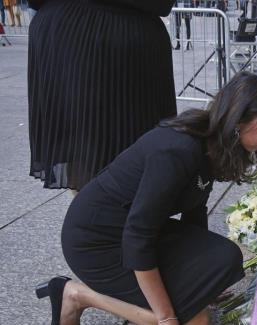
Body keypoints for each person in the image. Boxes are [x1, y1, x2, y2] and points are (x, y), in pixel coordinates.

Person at [35, 72, 257, 325]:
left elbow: (195, 210)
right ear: (239, 117)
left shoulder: (209, 142)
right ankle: (75, 295)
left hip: (130, 229)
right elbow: (138, 235)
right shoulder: (177, 150)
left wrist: (203, 281)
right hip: (95, 242)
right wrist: (166, 317)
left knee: (224, 259)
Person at [27, 0, 177, 191]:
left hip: (65, 26)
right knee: (118, 146)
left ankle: (91, 211)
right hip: (116, 31)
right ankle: (96, 213)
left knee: (85, 143)